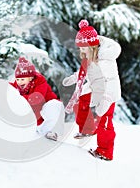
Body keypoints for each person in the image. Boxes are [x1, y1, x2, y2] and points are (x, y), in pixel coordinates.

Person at [62, 19, 121, 161]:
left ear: (92, 46)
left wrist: (107, 98)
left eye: (83, 48)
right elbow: (86, 72)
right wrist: (75, 77)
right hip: (95, 88)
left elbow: (111, 81)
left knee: (105, 122)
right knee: (80, 102)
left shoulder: (106, 60)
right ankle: (87, 129)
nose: (81, 51)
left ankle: (105, 152)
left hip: (108, 93)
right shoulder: (89, 57)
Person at [10, 56, 65, 141]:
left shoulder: (40, 82)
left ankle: (51, 132)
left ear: (31, 78)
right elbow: (8, 91)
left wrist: (20, 98)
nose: (19, 82)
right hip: (35, 117)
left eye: (22, 79)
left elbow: (36, 98)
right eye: (18, 79)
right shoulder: (16, 86)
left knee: (55, 106)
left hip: (46, 109)